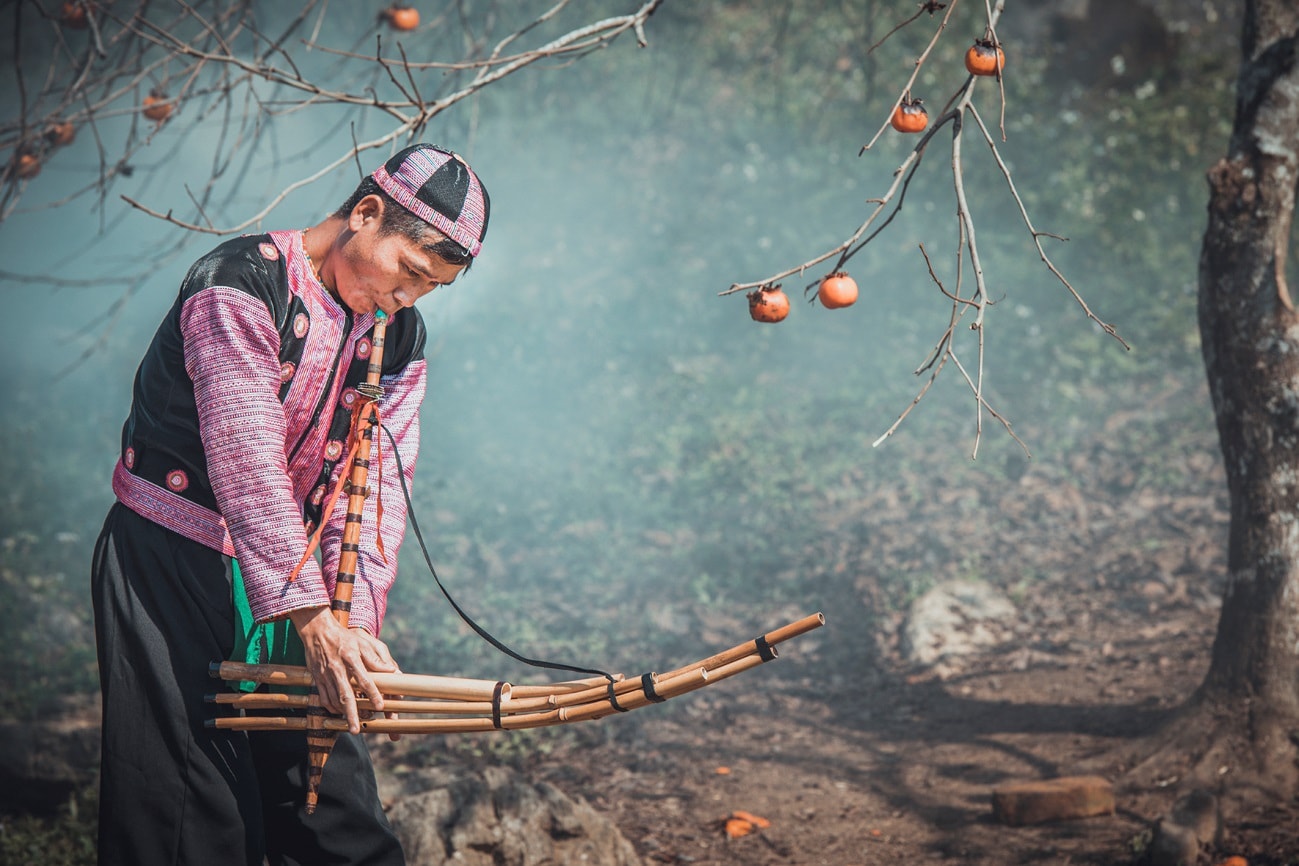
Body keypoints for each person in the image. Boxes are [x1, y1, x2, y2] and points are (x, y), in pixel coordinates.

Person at [90, 143, 490, 865]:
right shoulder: (238, 285)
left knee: (334, 813)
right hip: (173, 565)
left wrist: (350, 624)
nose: (409, 298)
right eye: (408, 271)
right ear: (365, 213)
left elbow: (372, 492)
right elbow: (247, 462)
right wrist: (310, 615)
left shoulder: (397, 338)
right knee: (190, 816)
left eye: (430, 287)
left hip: (298, 584)